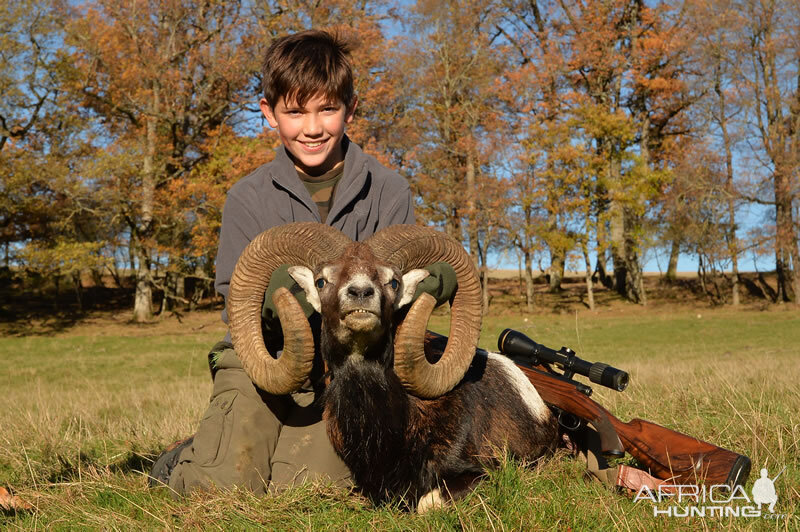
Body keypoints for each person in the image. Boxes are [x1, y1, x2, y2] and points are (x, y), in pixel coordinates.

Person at [148, 29, 456, 495]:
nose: (312, 128)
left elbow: (405, 282)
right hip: (266, 362)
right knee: (220, 489)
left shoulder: (388, 191)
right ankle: (187, 457)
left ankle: (246, 443)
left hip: (353, 367)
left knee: (309, 490)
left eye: (327, 109)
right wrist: (284, 302)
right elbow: (238, 295)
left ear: (350, 109)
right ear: (268, 112)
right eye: (295, 112)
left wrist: (435, 278)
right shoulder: (248, 197)